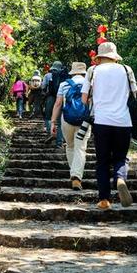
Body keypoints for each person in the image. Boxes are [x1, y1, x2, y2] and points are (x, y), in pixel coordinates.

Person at [81, 42, 137, 210]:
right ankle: (120, 178)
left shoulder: (93, 71)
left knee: (103, 161)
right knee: (120, 157)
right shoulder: (126, 70)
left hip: (101, 122)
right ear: (114, 57)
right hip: (123, 121)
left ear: (99, 57)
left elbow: (84, 99)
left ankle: (104, 199)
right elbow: (134, 95)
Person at [50, 62, 91, 190]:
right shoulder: (89, 84)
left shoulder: (64, 84)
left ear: (72, 72)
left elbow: (58, 104)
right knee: (80, 148)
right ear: (84, 72)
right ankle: (76, 177)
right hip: (84, 120)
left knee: (70, 146)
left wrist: (52, 122)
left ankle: (74, 174)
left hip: (67, 120)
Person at [42, 61, 66, 147]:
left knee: (48, 116)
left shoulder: (48, 75)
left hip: (51, 97)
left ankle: (51, 133)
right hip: (61, 98)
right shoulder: (64, 75)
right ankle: (59, 142)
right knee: (60, 121)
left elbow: (43, 86)